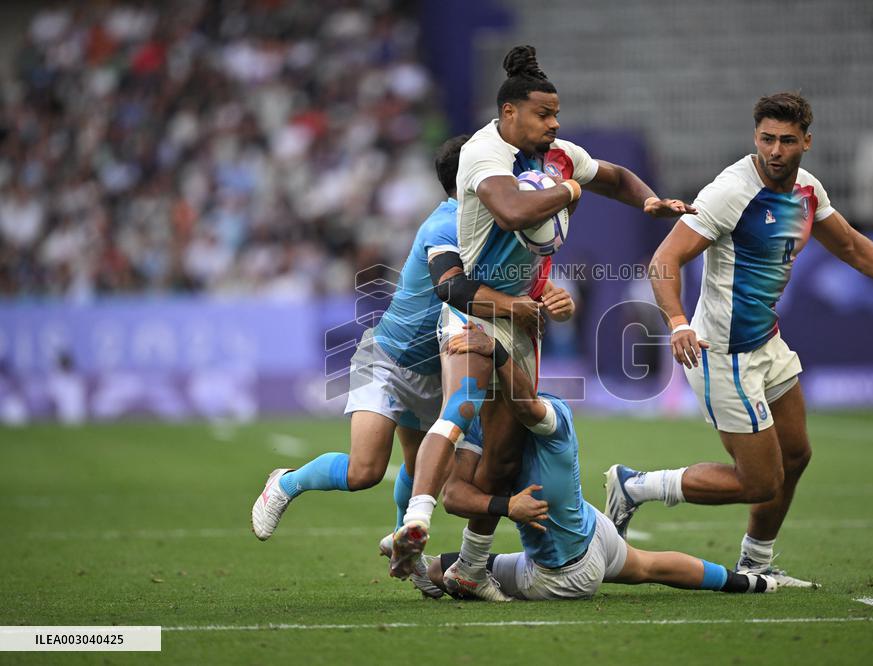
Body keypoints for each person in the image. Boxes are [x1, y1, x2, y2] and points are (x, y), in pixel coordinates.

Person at [606, 92, 873, 587]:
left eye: (787, 141)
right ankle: (635, 485)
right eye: (767, 139)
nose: (775, 150)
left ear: (806, 142)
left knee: (796, 455)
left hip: (766, 342)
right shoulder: (731, 192)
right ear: (755, 138)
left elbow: (851, 245)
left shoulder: (808, 190)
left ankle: (756, 563)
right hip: (719, 352)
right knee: (759, 480)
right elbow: (664, 260)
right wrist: (678, 321)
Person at [390, 44, 696, 596]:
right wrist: (572, 190)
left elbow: (617, 176)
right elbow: (513, 210)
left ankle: (470, 567)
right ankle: (416, 516)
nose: (555, 125)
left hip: (524, 319)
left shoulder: (554, 154)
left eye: (557, 114)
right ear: (509, 114)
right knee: (460, 406)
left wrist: (648, 201)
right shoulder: (483, 155)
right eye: (544, 115)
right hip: (474, 304)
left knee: (506, 452)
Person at [250, 135, 535, 597]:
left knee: (421, 464)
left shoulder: (489, 227)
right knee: (365, 471)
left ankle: (407, 547)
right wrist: (513, 305)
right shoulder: (446, 225)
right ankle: (285, 483)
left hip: (440, 365)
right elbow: (452, 290)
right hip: (390, 360)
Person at [423, 323, 775, 601]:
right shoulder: (481, 429)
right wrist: (507, 505)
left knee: (441, 570)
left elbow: (526, 406)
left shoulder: (552, 414)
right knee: (649, 565)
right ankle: (750, 583)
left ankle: (425, 565)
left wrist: (497, 351)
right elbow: (453, 497)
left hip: (562, 573)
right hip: (595, 532)